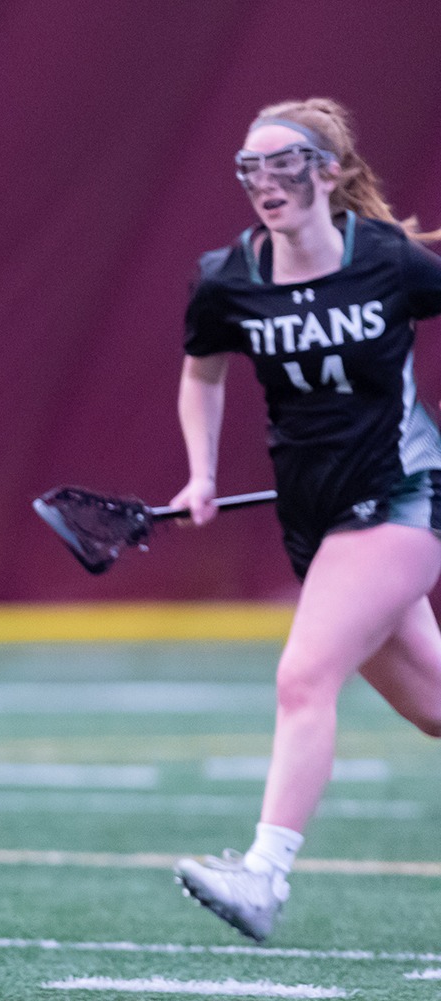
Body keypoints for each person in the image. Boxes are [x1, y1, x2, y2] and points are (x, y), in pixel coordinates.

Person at [171, 98, 441, 942]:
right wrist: (202, 474)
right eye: (250, 168)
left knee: (303, 677)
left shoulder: (390, 262)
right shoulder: (230, 278)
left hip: (399, 500)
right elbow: (203, 375)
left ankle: (265, 875)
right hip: (317, 517)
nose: (265, 183)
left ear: (326, 171)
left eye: (283, 164)